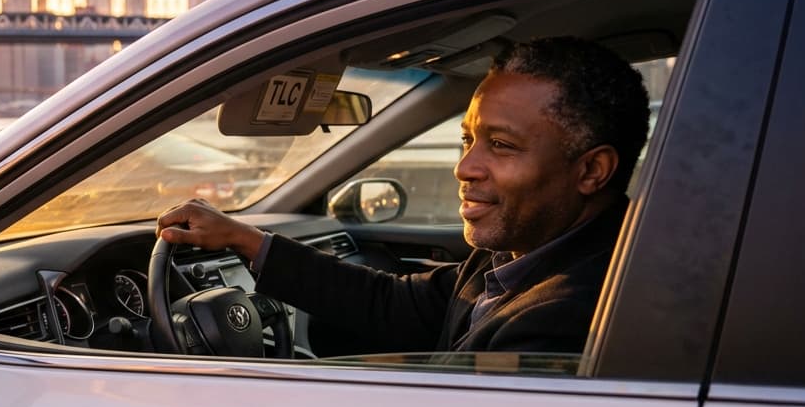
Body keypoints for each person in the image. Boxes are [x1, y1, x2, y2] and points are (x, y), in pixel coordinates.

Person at [156, 37, 651, 355]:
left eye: (500, 145)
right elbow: (393, 304)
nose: (464, 168)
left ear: (591, 170)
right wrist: (248, 241)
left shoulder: (563, 320)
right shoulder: (519, 255)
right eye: (467, 139)